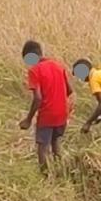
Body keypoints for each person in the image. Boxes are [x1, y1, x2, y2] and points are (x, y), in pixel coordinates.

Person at [18, 40, 73, 169]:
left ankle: (45, 175)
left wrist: (28, 119)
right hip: (62, 113)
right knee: (56, 143)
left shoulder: (35, 71)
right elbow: (69, 90)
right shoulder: (58, 65)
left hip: (47, 115)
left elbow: (38, 98)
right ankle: (61, 170)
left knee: (42, 147)